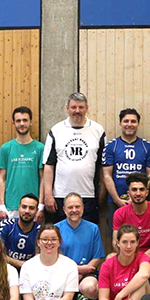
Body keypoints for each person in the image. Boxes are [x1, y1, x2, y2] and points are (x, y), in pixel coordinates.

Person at [43, 92, 107, 225]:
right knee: (59, 235)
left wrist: (102, 192)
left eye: (81, 107)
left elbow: (103, 166)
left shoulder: (98, 130)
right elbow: (49, 165)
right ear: (67, 108)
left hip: (89, 195)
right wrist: (48, 194)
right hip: (60, 196)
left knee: (87, 233)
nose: (77, 111)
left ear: (87, 108)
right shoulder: (56, 130)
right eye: (73, 107)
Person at [112, 172, 150, 282]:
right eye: (134, 190)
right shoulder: (119, 213)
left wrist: (145, 255)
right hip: (128, 251)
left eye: (141, 189)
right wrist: (129, 255)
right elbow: (115, 242)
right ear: (128, 193)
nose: (138, 193)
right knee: (110, 257)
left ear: (147, 192)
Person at [0, 106, 45, 222]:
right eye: (18, 121)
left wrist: (41, 205)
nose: (22, 124)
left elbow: (43, 178)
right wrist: (1, 205)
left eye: (25, 120)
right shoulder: (5, 148)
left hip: (33, 207)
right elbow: (1, 178)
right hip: (11, 207)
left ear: (31, 122)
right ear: (13, 123)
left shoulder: (40, 148)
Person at [56, 193, 106, 300]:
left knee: (90, 288)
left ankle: (81, 295)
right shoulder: (56, 229)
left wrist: (84, 271)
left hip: (87, 272)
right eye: (70, 207)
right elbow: (55, 258)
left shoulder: (93, 228)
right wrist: (76, 270)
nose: (74, 210)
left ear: (83, 208)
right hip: (63, 273)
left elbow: (97, 257)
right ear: (64, 210)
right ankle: (77, 295)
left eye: (77, 207)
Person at [102, 108, 150, 213]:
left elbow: (149, 175)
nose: (129, 124)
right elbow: (107, 175)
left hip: (140, 201)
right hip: (115, 202)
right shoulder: (111, 146)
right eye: (126, 121)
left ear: (138, 124)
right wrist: (117, 200)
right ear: (120, 123)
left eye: (133, 121)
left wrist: (138, 196)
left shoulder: (147, 147)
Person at [0, 193, 42, 269]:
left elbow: (40, 258)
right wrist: (22, 264)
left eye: (31, 208)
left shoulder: (40, 231)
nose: (27, 211)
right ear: (19, 208)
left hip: (30, 270)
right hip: (6, 269)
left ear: (37, 210)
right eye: (24, 207)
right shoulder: (5, 225)